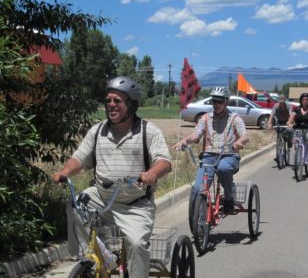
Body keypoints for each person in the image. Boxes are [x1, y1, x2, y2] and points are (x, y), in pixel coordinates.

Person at [52, 76, 171, 278]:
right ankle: (89, 257)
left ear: (131, 105)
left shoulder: (147, 131)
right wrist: (65, 172)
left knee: (135, 244)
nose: (111, 105)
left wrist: (152, 172)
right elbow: (79, 158)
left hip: (136, 204)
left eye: (118, 101)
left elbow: (164, 162)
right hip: (102, 196)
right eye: (108, 101)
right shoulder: (97, 131)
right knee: (74, 204)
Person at [173, 86, 249, 214]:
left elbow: (245, 135)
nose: (216, 104)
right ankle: (199, 218)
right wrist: (184, 141)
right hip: (209, 156)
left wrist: (239, 142)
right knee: (197, 188)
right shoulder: (206, 118)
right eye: (214, 101)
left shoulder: (234, 118)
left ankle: (229, 198)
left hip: (229, 155)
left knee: (223, 168)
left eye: (220, 101)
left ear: (226, 102)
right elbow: (196, 135)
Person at [287, 92, 308, 157]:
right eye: (303, 99)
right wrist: (289, 123)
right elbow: (291, 118)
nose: (305, 101)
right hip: (298, 129)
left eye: (307, 99)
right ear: (301, 100)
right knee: (295, 143)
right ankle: (297, 161)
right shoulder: (297, 109)